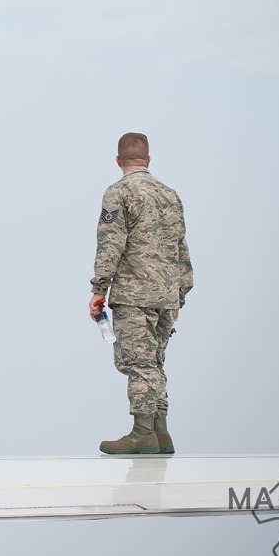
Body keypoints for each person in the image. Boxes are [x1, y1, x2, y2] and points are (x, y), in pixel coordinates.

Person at [88, 132, 192, 455]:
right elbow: (182, 252)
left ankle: (143, 433)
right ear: (148, 161)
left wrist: (98, 289)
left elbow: (111, 244)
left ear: (118, 161)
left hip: (134, 295)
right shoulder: (171, 196)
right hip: (166, 296)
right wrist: (178, 296)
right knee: (155, 362)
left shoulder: (118, 193)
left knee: (139, 363)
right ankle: (161, 433)